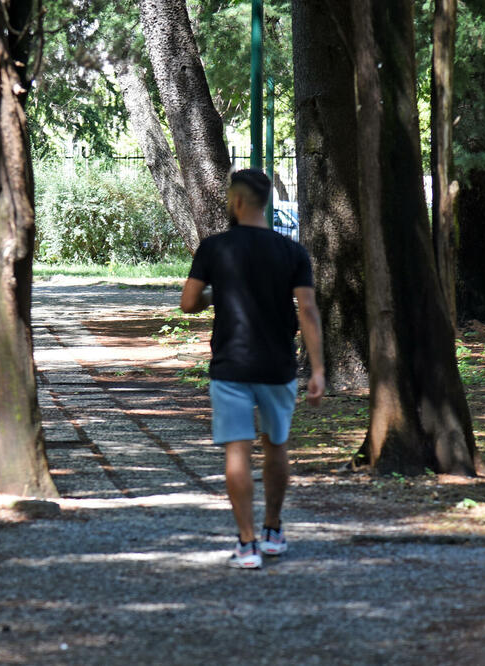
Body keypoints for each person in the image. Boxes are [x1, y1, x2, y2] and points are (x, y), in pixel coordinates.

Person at [180, 169, 325, 570]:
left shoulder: (215, 248)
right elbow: (308, 311)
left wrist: (217, 291)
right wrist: (318, 370)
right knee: (276, 446)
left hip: (230, 364)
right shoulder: (292, 252)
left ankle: (246, 544)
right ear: (265, 203)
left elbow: (188, 302)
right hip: (278, 365)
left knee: (237, 451)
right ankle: (273, 530)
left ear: (237, 201)